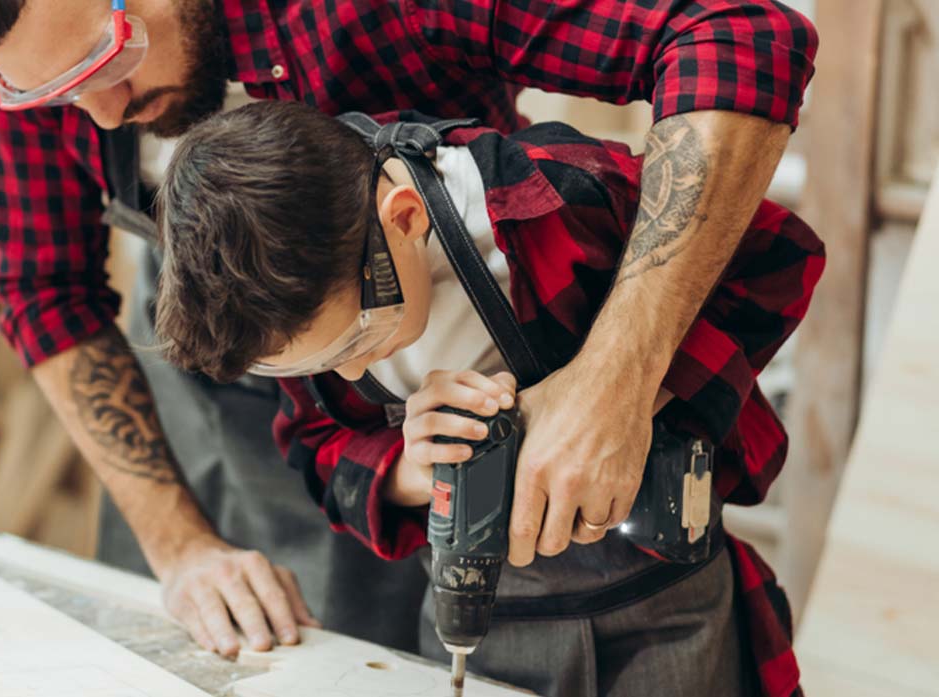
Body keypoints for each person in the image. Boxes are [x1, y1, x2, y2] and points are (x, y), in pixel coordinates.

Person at [0, 0, 819, 689]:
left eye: (105, 57)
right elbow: (47, 290)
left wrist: (613, 380)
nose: (101, 113)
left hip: (477, 368)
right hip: (263, 408)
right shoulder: (35, 47)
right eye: (47, 93)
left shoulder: (534, 198)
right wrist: (181, 548)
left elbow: (736, 35)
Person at [153, 101, 824, 697]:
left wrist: (614, 393)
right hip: (481, 620)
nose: (352, 368)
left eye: (359, 337)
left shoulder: (557, 197)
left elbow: (777, 261)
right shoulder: (296, 295)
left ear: (406, 217)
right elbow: (318, 449)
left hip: (664, 608)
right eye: (323, 363)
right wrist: (413, 467)